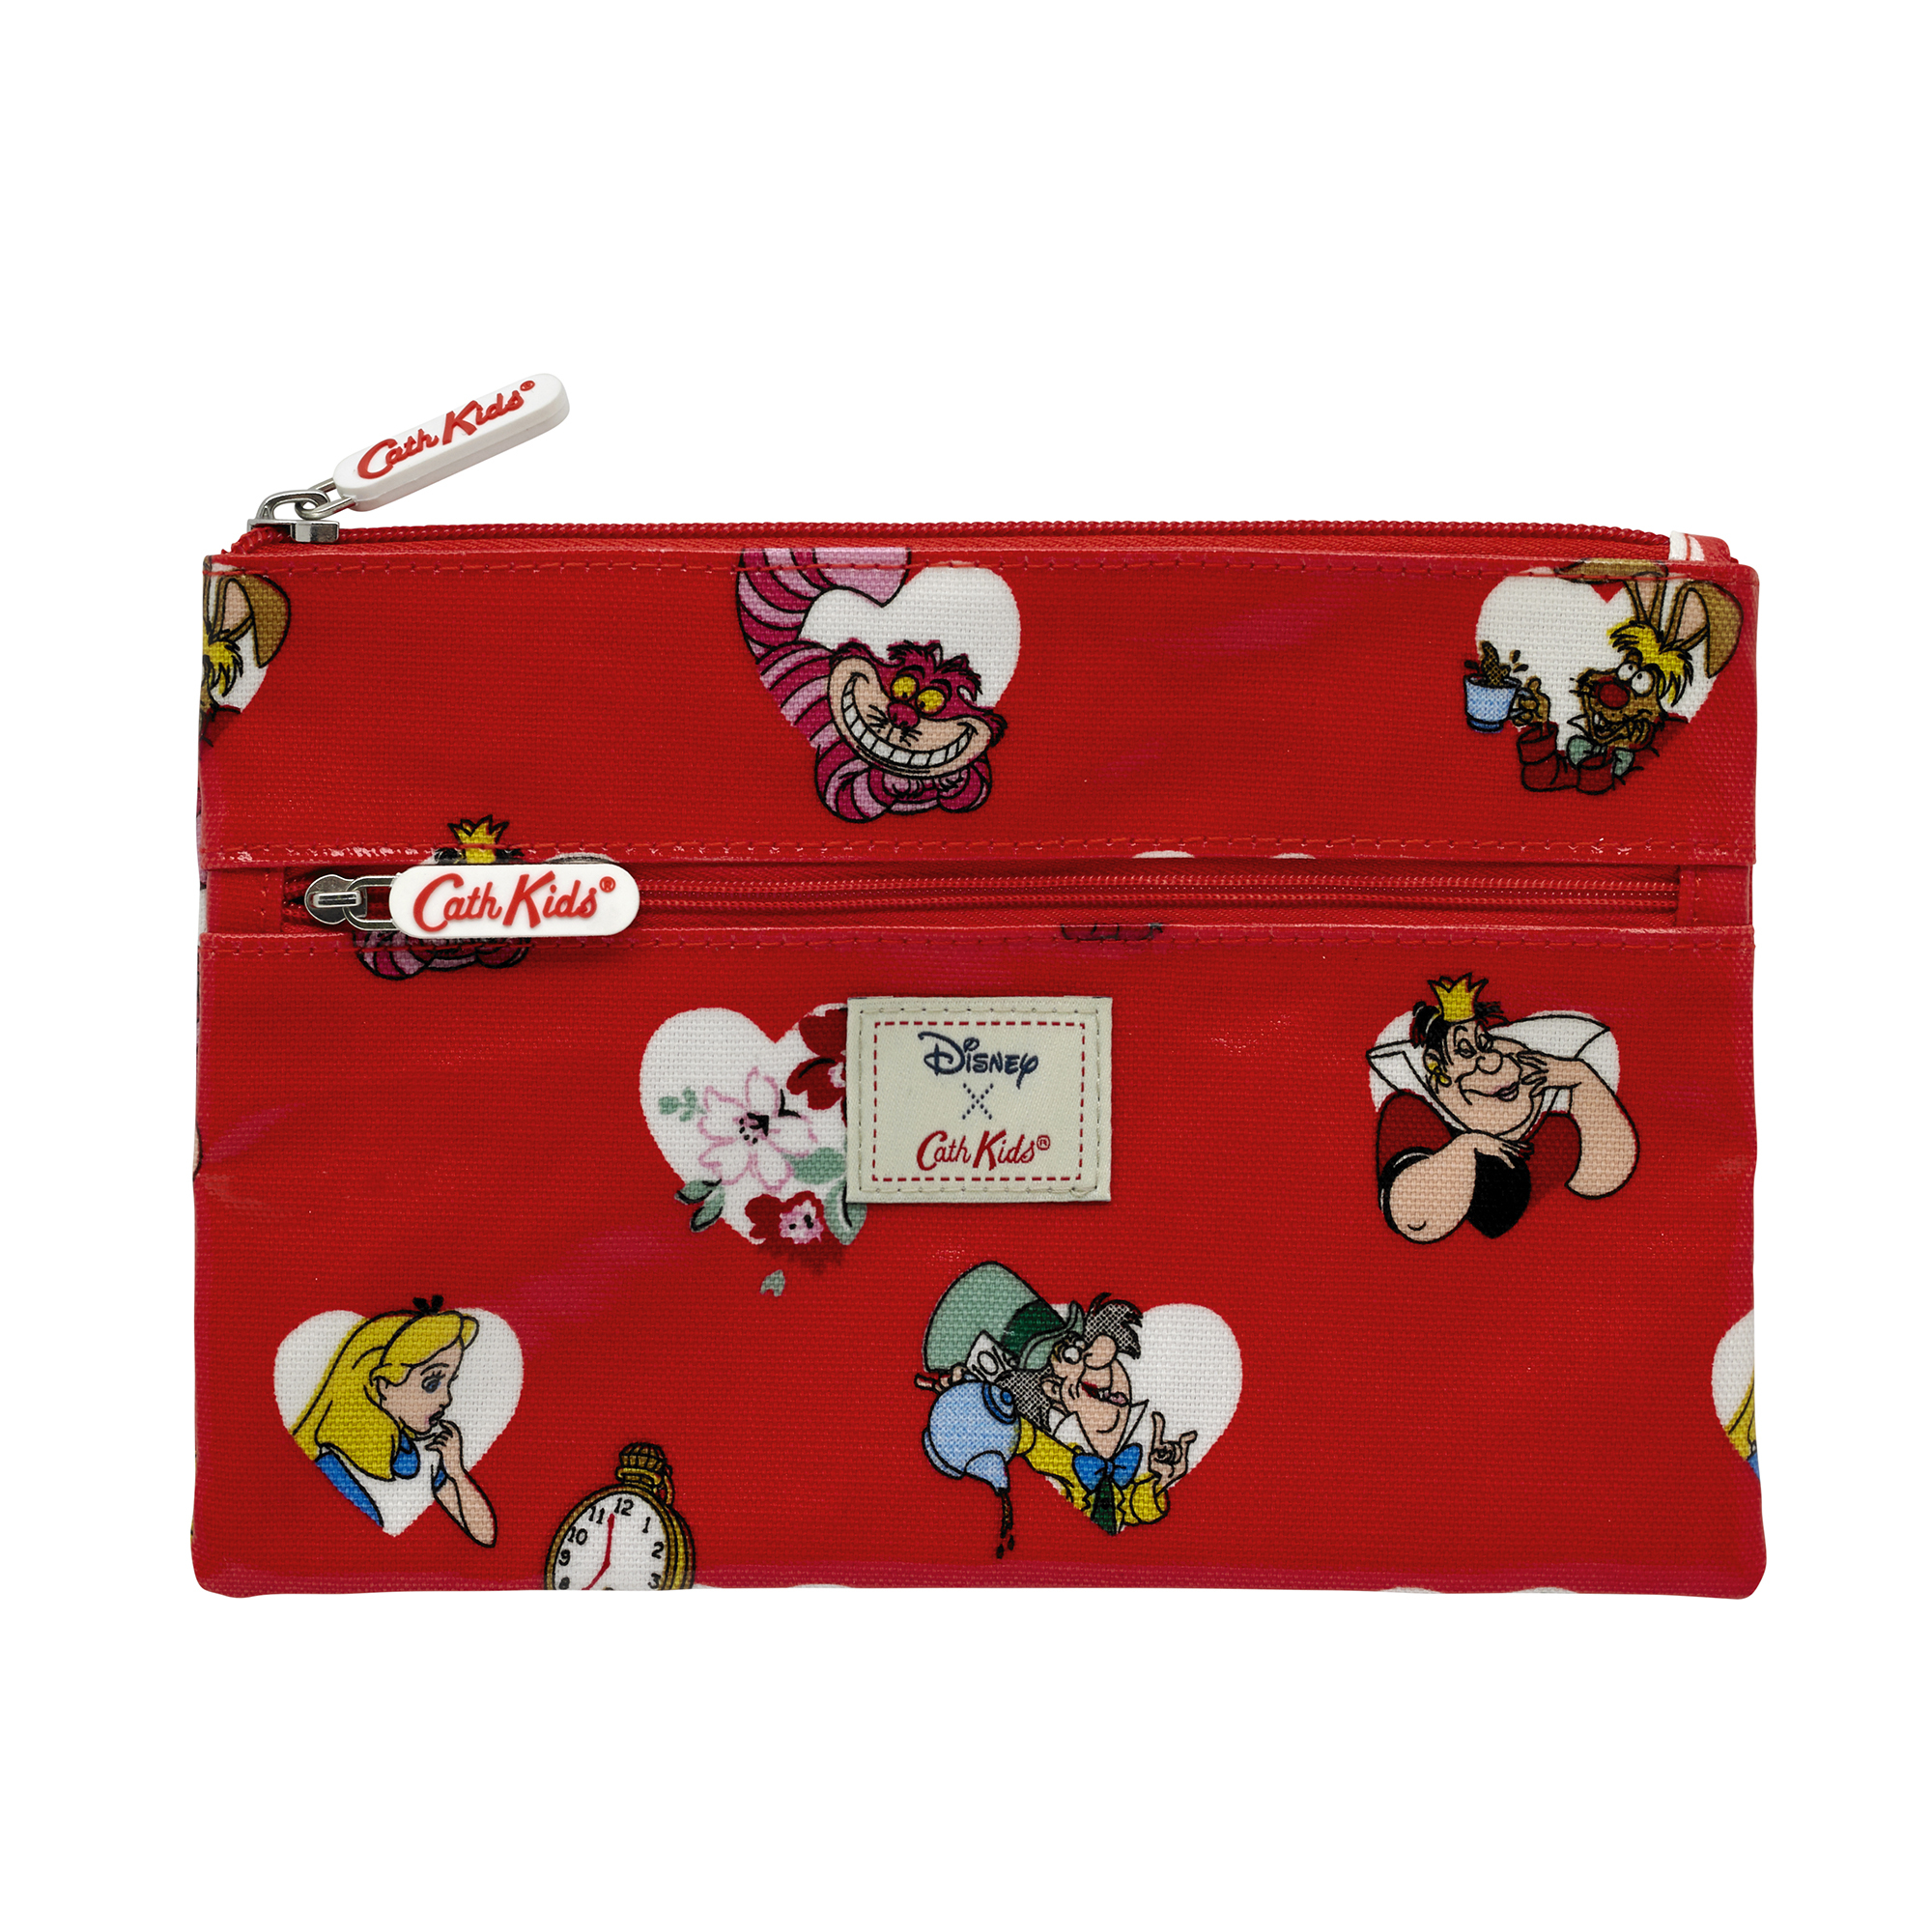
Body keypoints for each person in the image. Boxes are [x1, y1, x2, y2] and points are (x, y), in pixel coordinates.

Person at [919, 1263, 1192, 1554]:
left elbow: (1125, 1506)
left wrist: (1159, 1482)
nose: (1102, 1366)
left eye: (1088, 1349)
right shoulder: (1057, 1455)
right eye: (1073, 1356)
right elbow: (1024, 1438)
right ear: (1051, 1391)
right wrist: (969, 1402)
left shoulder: (1138, 1433)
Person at [1373, 975, 1638, 1243]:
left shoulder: (1556, 1136)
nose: (1491, 1061)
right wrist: (1468, 1146)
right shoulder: (1411, 1114)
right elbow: (1415, 1218)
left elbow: (1603, 1177)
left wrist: (1579, 1076)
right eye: (1465, 1051)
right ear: (1435, 1066)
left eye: (1484, 1044)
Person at [289, 1299, 497, 1544]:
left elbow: (485, 1535)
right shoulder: (333, 1465)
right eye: (431, 1384)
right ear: (384, 1385)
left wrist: (457, 1473)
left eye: (449, 1383)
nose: (447, 1399)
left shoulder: (427, 1456)